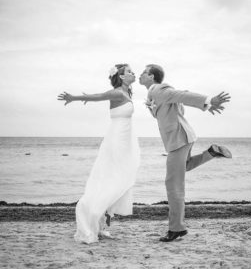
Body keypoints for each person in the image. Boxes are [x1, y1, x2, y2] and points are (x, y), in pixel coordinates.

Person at [139, 64, 232, 242]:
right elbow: (178, 102)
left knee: (173, 184)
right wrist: (206, 107)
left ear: (151, 77)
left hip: (178, 139)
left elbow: (180, 94)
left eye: (144, 72)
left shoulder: (159, 89)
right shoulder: (153, 93)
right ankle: (212, 152)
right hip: (182, 138)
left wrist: (208, 100)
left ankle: (177, 228)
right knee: (185, 167)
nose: (140, 75)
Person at [58, 64, 140, 244]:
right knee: (112, 178)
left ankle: (103, 220)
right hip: (116, 141)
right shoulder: (118, 92)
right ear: (121, 77)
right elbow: (97, 96)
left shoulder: (127, 93)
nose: (133, 73)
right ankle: (93, 214)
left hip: (125, 141)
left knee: (118, 179)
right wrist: (75, 97)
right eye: (129, 72)